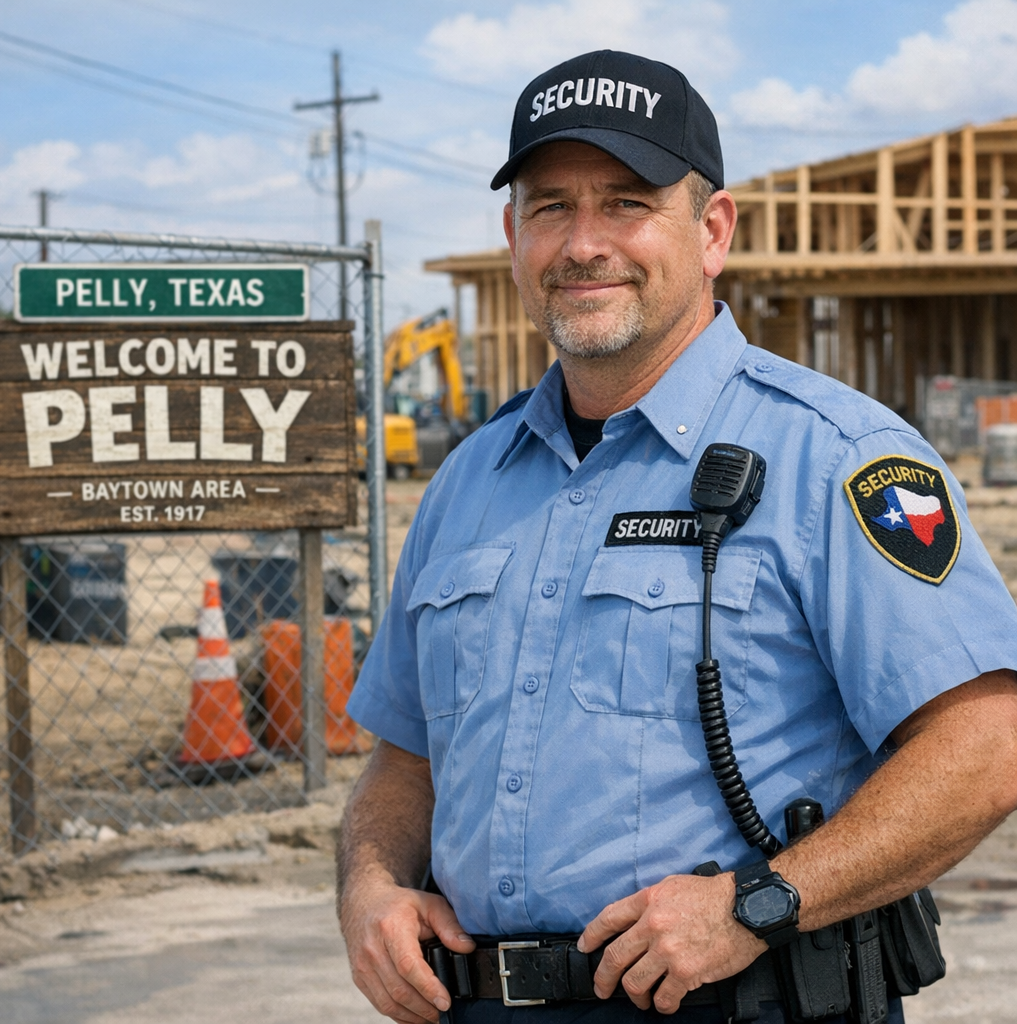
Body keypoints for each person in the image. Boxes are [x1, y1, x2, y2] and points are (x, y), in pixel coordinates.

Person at [337, 49, 1017, 1024]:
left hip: (736, 998)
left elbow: (986, 742)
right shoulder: (465, 484)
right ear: (511, 235)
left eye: (625, 202)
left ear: (711, 231)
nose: (582, 242)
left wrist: (757, 902)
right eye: (549, 206)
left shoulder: (835, 457)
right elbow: (406, 759)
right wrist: (367, 884)